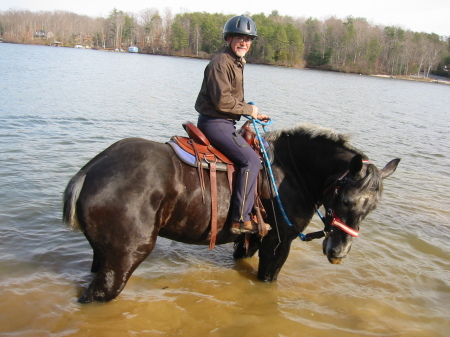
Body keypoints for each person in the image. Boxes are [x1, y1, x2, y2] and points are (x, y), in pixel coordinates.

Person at [195, 15, 270, 234]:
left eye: (248, 39)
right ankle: (240, 219)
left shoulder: (235, 63)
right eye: (239, 37)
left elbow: (232, 99)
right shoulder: (221, 62)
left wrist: (256, 114)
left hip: (224, 121)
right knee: (252, 161)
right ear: (229, 39)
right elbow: (222, 101)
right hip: (215, 123)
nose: (244, 42)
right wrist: (250, 110)